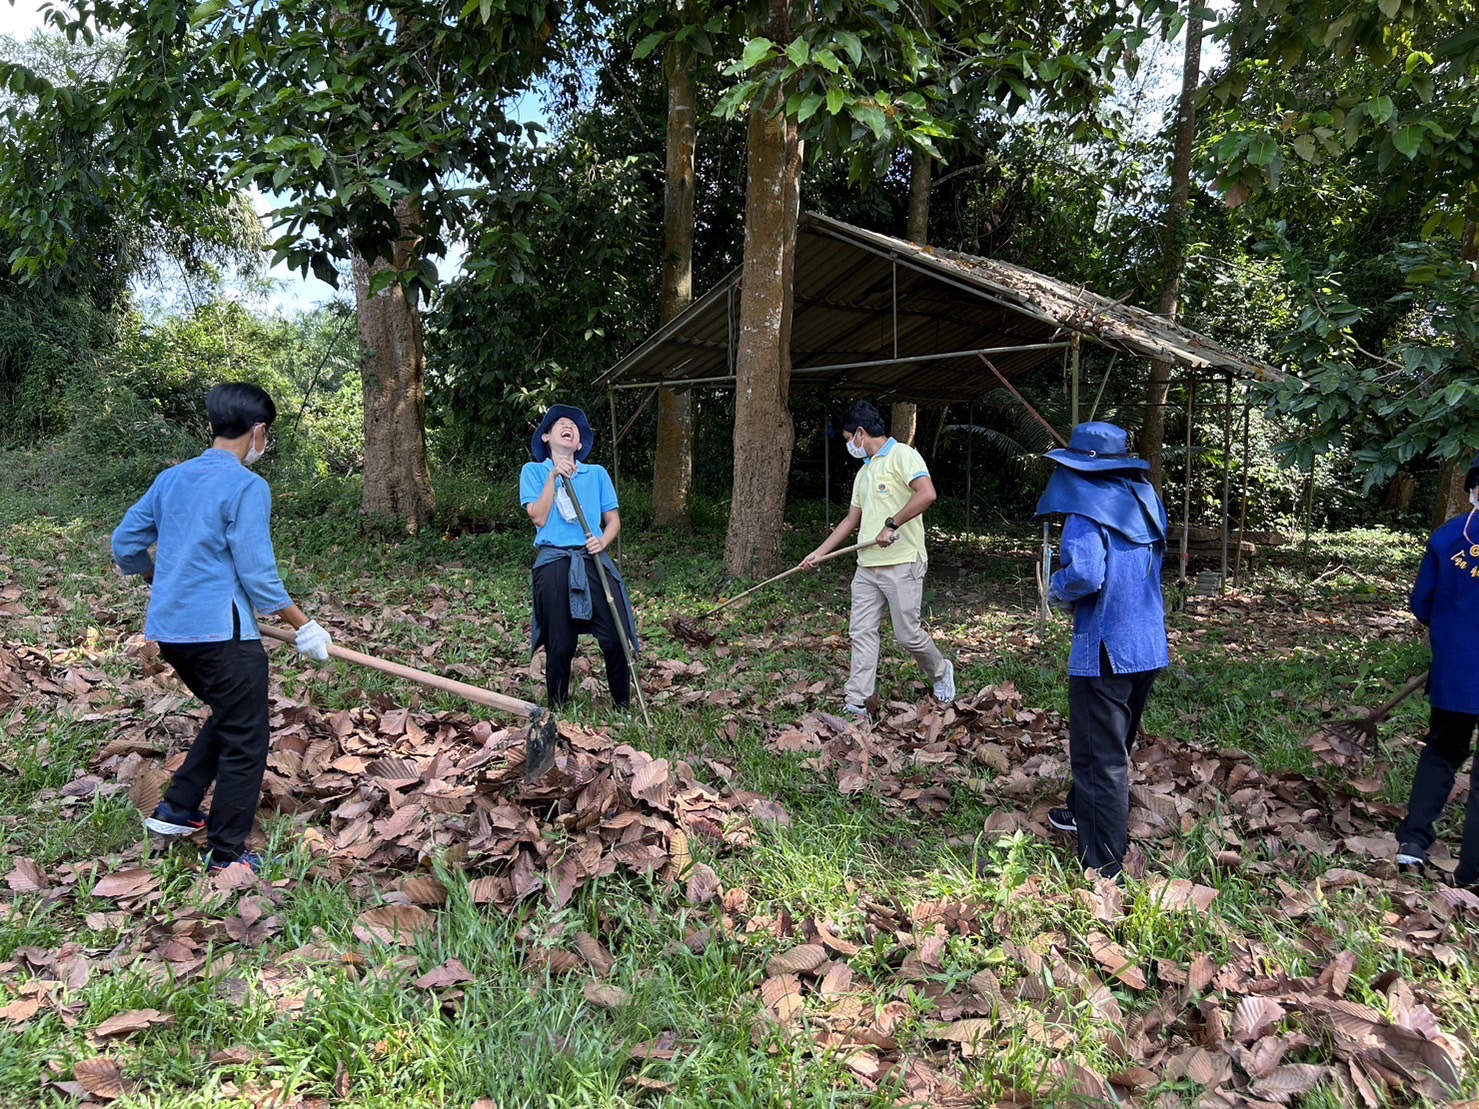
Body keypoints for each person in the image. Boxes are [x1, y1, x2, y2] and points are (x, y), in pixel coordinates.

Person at [111, 382, 331, 874]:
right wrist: (304, 625)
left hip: (171, 634)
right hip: (222, 636)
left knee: (231, 715)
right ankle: (227, 852)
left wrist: (160, 579)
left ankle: (177, 810)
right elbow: (258, 575)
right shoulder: (247, 486)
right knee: (247, 738)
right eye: (266, 435)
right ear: (258, 432)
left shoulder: (172, 480)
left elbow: (125, 543)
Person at [1037, 421, 1169, 881]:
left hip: (1106, 649)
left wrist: (1057, 587)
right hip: (1148, 644)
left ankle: (1105, 864)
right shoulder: (1144, 498)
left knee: (1099, 758)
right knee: (1115, 742)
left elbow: (1087, 574)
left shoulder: (1085, 510)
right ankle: (1078, 811)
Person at [803, 400, 954, 715]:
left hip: (902, 562)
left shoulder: (903, 456)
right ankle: (857, 700)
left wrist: (892, 524)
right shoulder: (865, 472)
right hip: (867, 567)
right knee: (861, 632)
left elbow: (927, 494)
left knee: (908, 636)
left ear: (860, 433)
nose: (849, 446)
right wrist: (819, 553)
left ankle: (941, 671)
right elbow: (850, 521)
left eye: (848, 439)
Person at [519, 404, 638, 712]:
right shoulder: (534, 471)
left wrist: (602, 541)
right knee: (561, 641)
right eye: (559, 423)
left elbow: (613, 521)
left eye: (574, 426)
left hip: (591, 558)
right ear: (546, 437)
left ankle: (622, 707)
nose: (567, 426)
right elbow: (539, 517)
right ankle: (557, 709)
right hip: (554, 560)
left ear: (580, 444)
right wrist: (554, 477)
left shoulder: (596, 474)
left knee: (614, 634)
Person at [1394, 455, 1479, 882]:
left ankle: (1412, 843)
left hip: (1456, 672)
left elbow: (1421, 604)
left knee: (1442, 752)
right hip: (1460, 668)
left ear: (1471, 491)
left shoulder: (1448, 539)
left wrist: (1454, 635)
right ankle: (1471, 871)